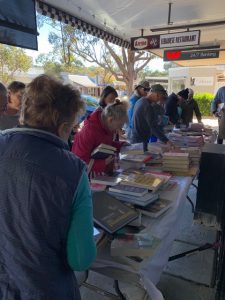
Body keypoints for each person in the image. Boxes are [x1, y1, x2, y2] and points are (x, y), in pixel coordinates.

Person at [0, 75, 96, 299]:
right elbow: (80, 259)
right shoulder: (73, 170)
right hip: (47, 290)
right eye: (72, 129)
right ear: (63, 127)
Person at [72, 101, 128, 175]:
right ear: (110, 120)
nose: (118, 130)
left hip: (102, 173)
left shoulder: (107, 126)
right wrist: (102, 163)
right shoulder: (88, 131)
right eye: (118, 126)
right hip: (88, 176)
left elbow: (106, 145)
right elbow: (79, 160)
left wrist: (121, 145)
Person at [131, 84, 172, 152]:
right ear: (156, 94)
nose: (159, 100)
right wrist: (167, 141)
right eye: (159, 97)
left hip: (137, 137)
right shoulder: (147, 105)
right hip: (139, 140)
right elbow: (153, 127)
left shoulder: (141, 100)